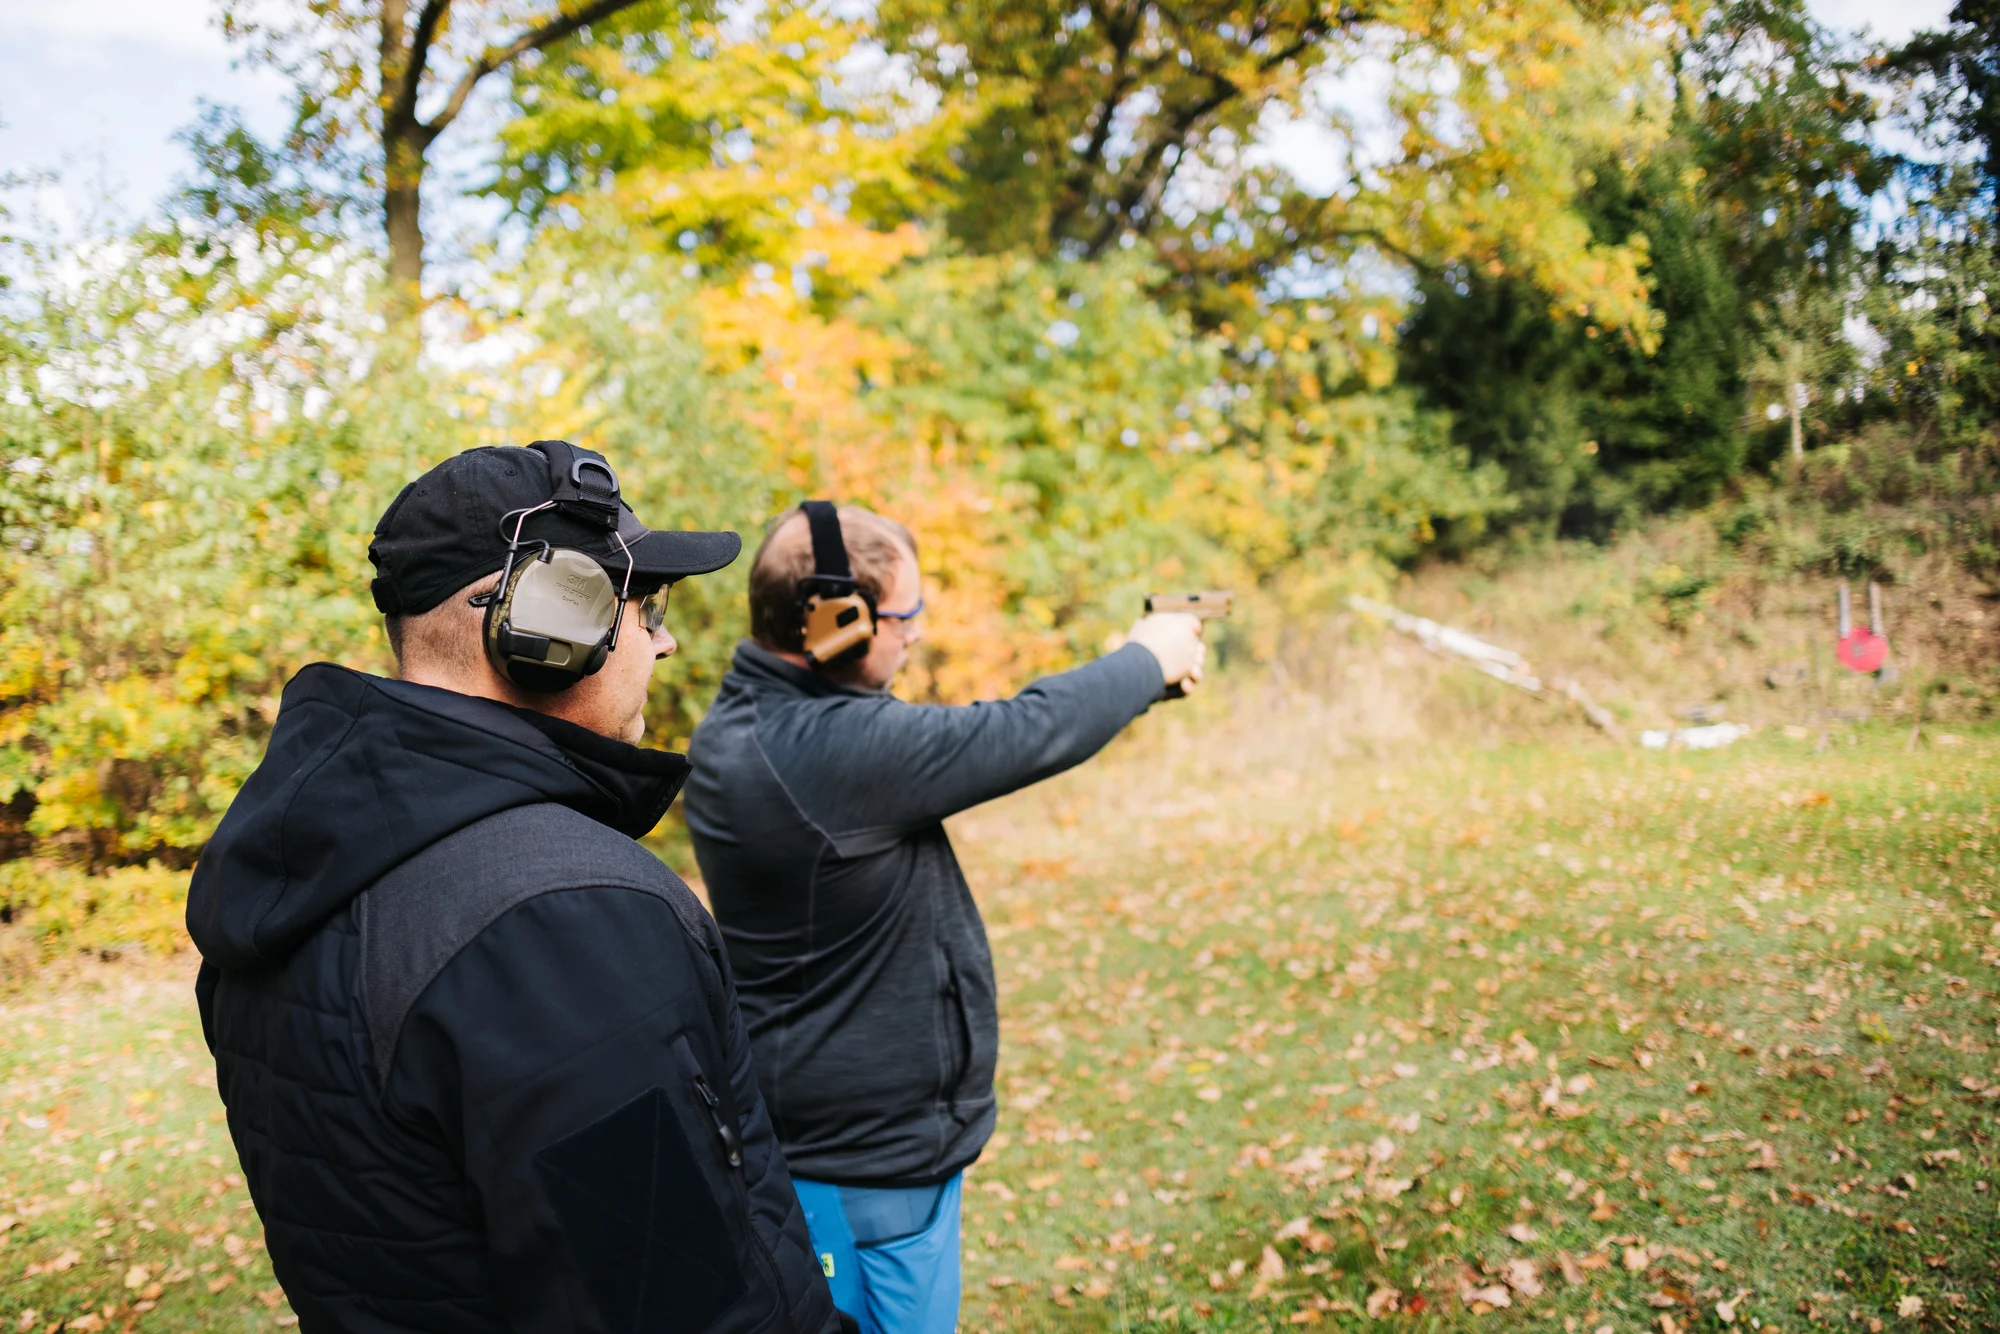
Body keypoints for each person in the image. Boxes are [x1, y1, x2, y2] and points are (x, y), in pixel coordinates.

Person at [188, 441, 841, 1334]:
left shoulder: (301, 865)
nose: (664, 636)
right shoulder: (562, 920)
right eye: (642, 605)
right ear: (549, 625)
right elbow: (675, 1303)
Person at [683, 501, 1206, 1334]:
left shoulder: (761, 728)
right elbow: (1028, 729)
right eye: (905, 615)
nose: (917, 633)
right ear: (836, 623)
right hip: (858, 1171)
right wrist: (1149, 659)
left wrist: (1143, 682)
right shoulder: (819, 749)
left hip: (854, 1148)